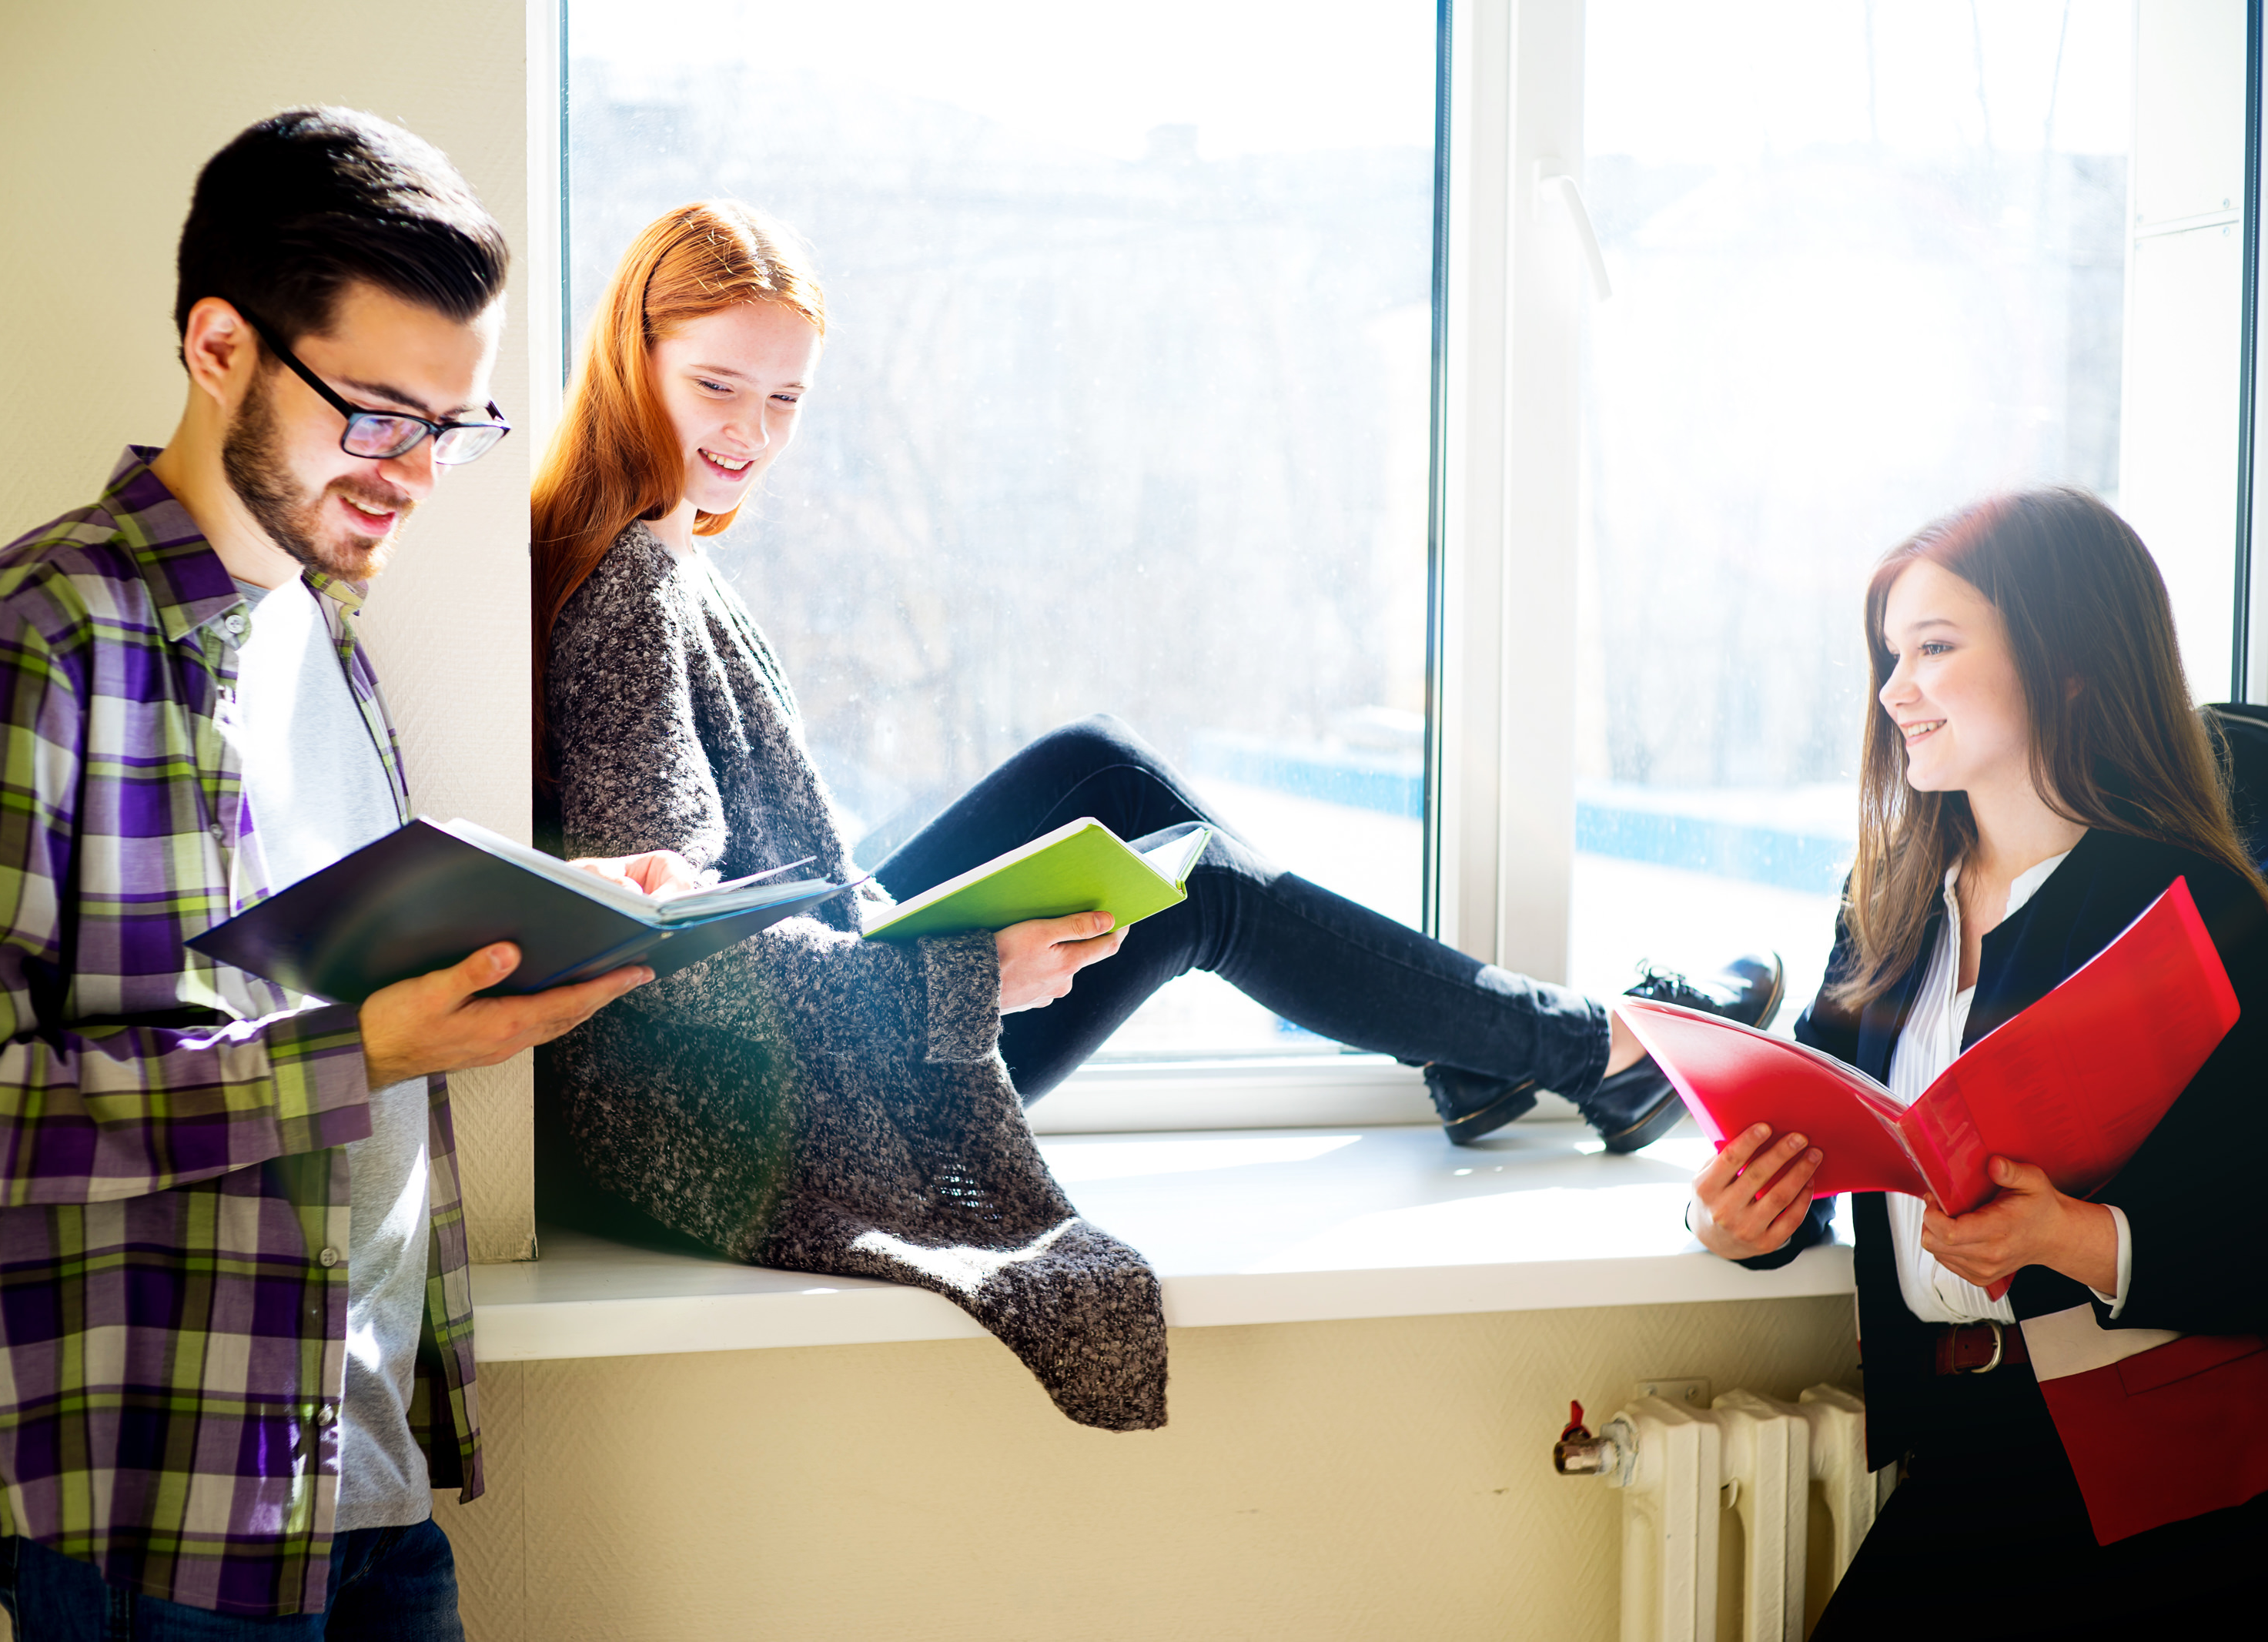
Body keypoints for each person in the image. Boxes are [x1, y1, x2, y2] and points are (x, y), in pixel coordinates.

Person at [527, 199, 1781, 1430]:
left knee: (1103, 774)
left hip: (781, 1069)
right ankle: (1595, 1052)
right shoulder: (633, 586)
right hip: (769, 1122)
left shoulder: (660, 550)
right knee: (1202, 883)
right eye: (718, 386)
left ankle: (1498, 1048)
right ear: (633, 357)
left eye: (787, 399)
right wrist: (967, 973)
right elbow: (672, 953)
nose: (751, 431)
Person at [0, 109, 686, 1637]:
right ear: (221, 346)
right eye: (380, 415)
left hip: (368, 1473)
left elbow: (314, 974)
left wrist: (540, 914)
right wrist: (357, 1053)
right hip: (155, 1522)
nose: (418, 474)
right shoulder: (28, 645)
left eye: (454, 425)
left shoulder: (319, 631)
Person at [1688, 488, 2268, 1635]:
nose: (1894, 690)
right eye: (1890, 653)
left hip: (2153, 1473)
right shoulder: (1889, 900)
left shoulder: (2201, 910)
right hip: (1963, 1444)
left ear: (2069, 662)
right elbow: (1822, 1131)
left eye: (1936, 648)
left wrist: (2074, 1239)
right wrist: (1735, 1217)